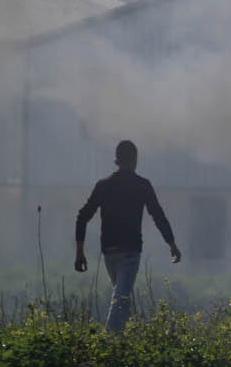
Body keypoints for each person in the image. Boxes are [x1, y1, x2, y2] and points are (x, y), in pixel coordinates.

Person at [75, 140, 181, 332]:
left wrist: (79, 252)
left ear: (117, 161)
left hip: (109, 252)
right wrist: (172, 244)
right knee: (121, 298)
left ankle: (125, 343)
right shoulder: (142, 185)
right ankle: (110, 341)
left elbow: (83, 216)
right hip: (130, 252)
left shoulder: (103, 185)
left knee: (122, 297)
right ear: (135, 160)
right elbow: (158, 215)